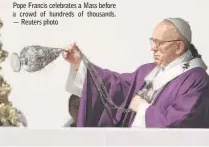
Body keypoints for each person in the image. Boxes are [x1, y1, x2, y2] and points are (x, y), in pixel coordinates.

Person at [63, 18, 209, 128]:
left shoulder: (196, 79)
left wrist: (144, 110)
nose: (153, 48)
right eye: (152, 41)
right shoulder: (149, 71)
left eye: (159, 43)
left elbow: (183, 120)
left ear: (178, 47)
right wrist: (80, 64)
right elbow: (116, 87)